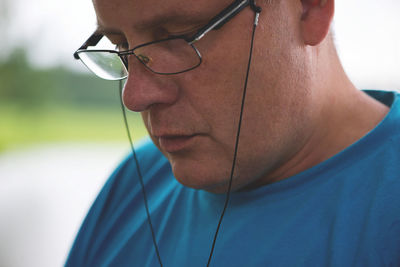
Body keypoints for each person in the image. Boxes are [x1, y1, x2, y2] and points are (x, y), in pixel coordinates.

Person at [66, 0, 400, 266]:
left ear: (310, 7)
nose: (135, 97)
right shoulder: (134, 183)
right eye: (120, 44)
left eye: (177, 38)